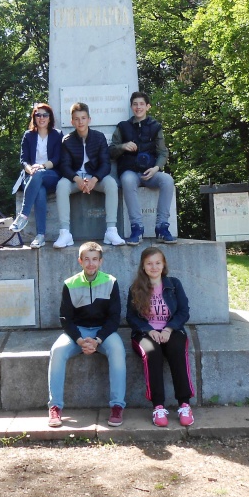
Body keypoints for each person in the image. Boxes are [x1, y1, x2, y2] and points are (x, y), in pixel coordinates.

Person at [47, 241, 127, 428]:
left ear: (101, 261)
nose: (91, 264)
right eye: (87, 260)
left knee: (117, 351)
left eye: (95, 259)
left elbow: (114, 317)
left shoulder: (111, 282)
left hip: (103, 333)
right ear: (80, 261)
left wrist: (98, 339)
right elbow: (65, 318)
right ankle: (55, 406)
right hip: (78, 332)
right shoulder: (70, 284)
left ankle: (117, 406)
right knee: (57, 351)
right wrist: (79, 340)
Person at [126, 247, 195, 427]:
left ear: (164, 265)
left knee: (177, 350)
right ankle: (158, 406)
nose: (154, 267)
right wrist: (150, 330)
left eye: (158, 263)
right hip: (145, 334)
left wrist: (168, 329)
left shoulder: (174, 285)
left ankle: (184, 404)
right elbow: (131, 317)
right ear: (143, 266)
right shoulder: (136, 288)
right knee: (152, 352)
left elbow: (183, 311)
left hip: (172, 331)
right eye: (149, 263)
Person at [54, 102, 125, 248]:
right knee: (61, 185)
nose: (80, 122)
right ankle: (65, 233)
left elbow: (105, 164)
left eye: (83, 118)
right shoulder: (67, 140)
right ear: (72, 121)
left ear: (89, 119)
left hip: (94, 178)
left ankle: (111, 230)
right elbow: (64, 166)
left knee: (111, 183)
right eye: (77, 119)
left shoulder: (99, 137)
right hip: (75, 179)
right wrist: (77, 179)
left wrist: (94, 179)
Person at [110, 91, 177, 244]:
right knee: (127, 180)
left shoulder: (156, 126)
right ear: (131, 107)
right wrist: (123, 146)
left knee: (167, 180)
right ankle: (137, 227)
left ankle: (162, 227)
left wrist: (156, 168)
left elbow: (163, 152)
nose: (138, 107)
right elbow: (111, 151)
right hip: (130, 171)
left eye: (141, 104)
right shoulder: (123, 126)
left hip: (150, 171)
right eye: (135, 104)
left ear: (148, 106)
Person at [10, 103, 63, 249]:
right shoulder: (28, 135)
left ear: (50, 117)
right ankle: (40, 236)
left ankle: (23, 215)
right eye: (38, 115)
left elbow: (57, 158)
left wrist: (41, 166)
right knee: (39, 190)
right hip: (31, 175)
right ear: (34, 117)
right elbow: (23, 160)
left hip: (50, 173)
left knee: (39, 175)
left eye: (45, 115)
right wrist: (29, 169)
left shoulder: (57, 135)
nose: (41, 118)